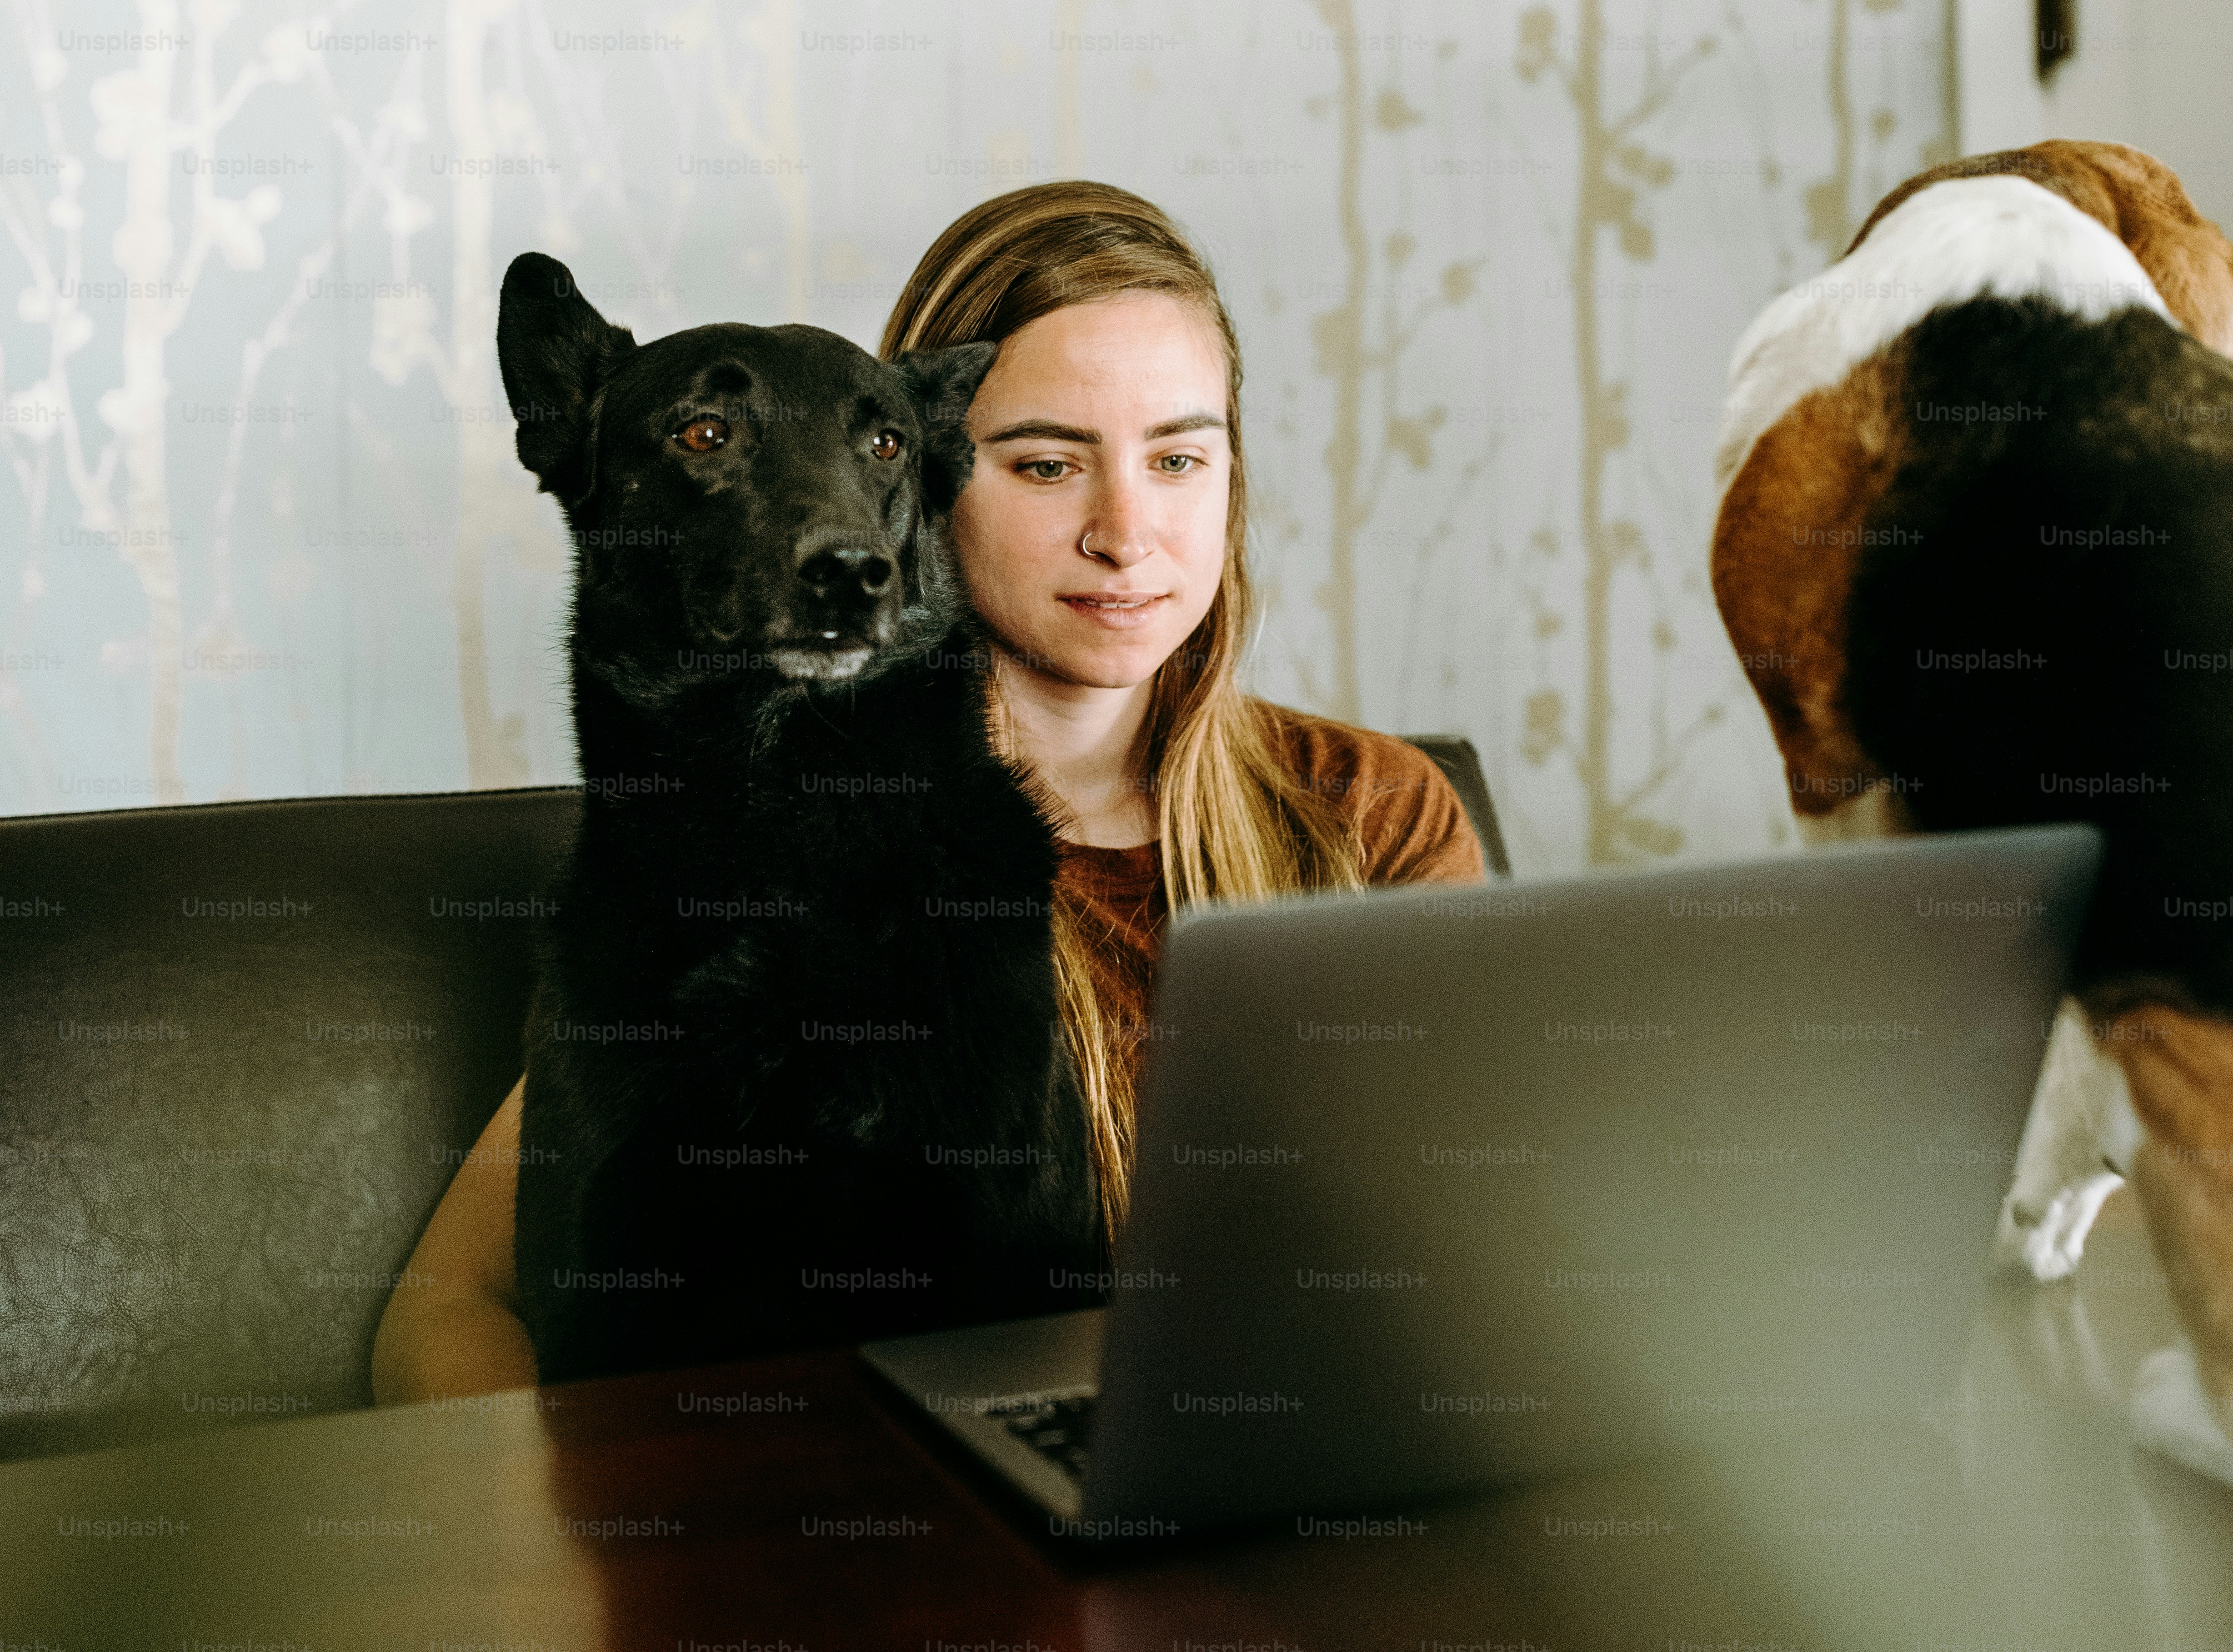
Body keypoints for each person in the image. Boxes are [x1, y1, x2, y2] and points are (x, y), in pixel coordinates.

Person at [370, 180, 1486, 1405]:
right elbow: (459, 1302)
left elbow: (1478, 1265)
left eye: (1178, 456)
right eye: (1050, 462)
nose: (1127, 529)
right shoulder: (764, 837)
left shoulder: (1372, 813)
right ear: (928, 492)